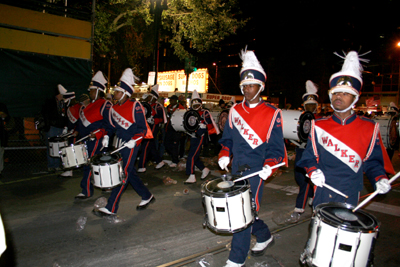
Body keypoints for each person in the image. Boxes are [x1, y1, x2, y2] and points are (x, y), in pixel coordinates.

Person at [297, 51, 395, 209]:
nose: (338, 97)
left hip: (350, 193)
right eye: (335, 93)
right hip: (323, 189)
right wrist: (313, 171)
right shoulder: (319, 125)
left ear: (355, 98)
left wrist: (379, 178)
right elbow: (308, 157)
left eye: (345, 93)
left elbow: (372, 162)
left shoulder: (369, 127)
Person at [217, 49, 288, 267]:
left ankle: (236, 259)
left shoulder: (272, 113)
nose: (247, 90)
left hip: (257, 171)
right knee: (244, 209)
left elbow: (277, 150)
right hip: (237, 169)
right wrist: (224, 154)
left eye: (252, 85)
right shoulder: (234, 110)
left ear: (261, 87)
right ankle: (265, 236)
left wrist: (270, 166)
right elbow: (227, 140)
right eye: (245, 86)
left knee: (243, 212)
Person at [93, 68, 155, 216]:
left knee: (123, 174)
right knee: (130, 172)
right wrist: (107, 136)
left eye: (117, 92)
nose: (115, 94)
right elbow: (110, 127)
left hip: (131, 144)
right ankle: (147, 196)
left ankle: (111, 207)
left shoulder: (136, 106)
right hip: (119, 144)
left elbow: (142, 129)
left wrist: (134, 141)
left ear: (125, 93)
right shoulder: (114, 108)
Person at [283, 81, 320, 224]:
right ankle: (311, 195)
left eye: (312, 106)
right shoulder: (300, 118)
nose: (310, 108)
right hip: (301, 150)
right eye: (308, 106)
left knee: (305, 180)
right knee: (299, 177)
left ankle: (299, 208)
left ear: (316, 107)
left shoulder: (321, 120)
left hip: (313, 154)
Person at [74, 70, 112, 200]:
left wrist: (100, 134)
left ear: (98, 90)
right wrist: (77, 133)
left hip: (97, 140)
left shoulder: (105, 104)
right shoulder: (90, 105)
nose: (89, 93)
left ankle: (87, 191)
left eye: (92, 90)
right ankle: (105, 185)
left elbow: (109, 125)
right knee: (94, 164)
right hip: (87, 140)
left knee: (90, 164)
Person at [184, 90, 220, 184]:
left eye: (197, 104)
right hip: (193, 136)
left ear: (200, 103)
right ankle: (204, 169)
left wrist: (204, 125)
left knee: (191, 156)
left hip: (200, 136)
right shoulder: (190, 113)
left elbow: (211, 126)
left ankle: (191, 175)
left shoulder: (205, 112)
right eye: (194, 104)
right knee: (194, 155)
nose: (196, 106)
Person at [137, 85, 167, 172]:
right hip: (146, 126)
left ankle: (142, 166)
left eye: (150, 95)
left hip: (153, 127)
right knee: (151, 146)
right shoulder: (147, 104)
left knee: (146, 145)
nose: (148, 96)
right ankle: (159, 161)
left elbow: (161, 118)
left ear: (153, 97)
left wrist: (153, 120)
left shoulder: (158, 106)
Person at [42, 88, 69, 173]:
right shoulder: (50, 102)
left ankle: (56, 165)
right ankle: (51, 165)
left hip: (59, 126)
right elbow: (46, 114)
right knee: (51, 146)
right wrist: (49, 124)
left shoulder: (62, 103)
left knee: (58, 147)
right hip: (52, 126)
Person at [57, 84, 77, 177]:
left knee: (71, 151)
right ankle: (69, 169)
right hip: (72, 132)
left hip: (75, 133)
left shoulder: (76, 107)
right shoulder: (71, 108)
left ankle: (70, 170)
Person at [164, 95, 186, 167]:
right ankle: (174, 156)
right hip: (169, 128)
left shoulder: (180, 108)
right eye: (170, 100)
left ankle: (175, 160)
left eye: (172, 100)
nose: (171, 101)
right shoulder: (169, 107)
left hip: (176, 129)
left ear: (176, 100)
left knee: (175, 145)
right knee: (166, 143)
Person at [0, 102, 10, 177]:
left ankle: (0, 171)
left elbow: (7, 118)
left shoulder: (2, 105)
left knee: (0, 152)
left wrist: (4, 117)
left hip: (0, 133)